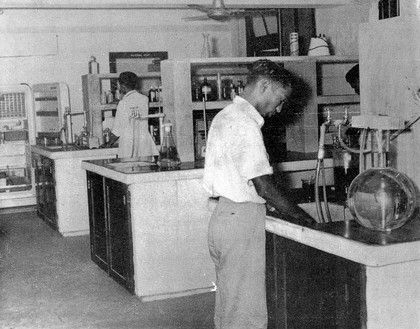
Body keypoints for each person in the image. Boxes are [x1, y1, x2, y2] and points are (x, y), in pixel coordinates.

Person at [203, 59, 314, 329]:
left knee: (230, 305)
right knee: (246, 313)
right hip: (242, 221)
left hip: (222, 217)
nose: (279, 108)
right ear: (264, 85)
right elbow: (263, 186)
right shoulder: (244, 123)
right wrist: (305, 219)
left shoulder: (226, 114)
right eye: (280, 98)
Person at [107, 71, 159, 160]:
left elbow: (117, 130)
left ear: (122, 86)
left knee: (129, 171)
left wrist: (107, 144)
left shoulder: (123, 103)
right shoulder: (144, 99)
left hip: (128, 147)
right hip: (144, 145)